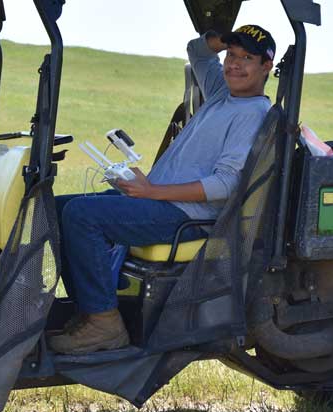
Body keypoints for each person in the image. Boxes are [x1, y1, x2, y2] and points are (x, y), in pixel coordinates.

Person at [49, 25, 276, 354]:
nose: (234, 64)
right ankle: (88, 312)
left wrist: (151, 192)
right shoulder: (221, 94)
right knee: (57, 207)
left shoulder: (252, 114)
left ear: (266, 67)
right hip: (160, 199)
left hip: (185, 214)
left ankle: (104, 325)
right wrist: (225, 38)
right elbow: (197, 51)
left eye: (247, 59)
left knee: (82, 216)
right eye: (231, 55)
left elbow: (226, 185)